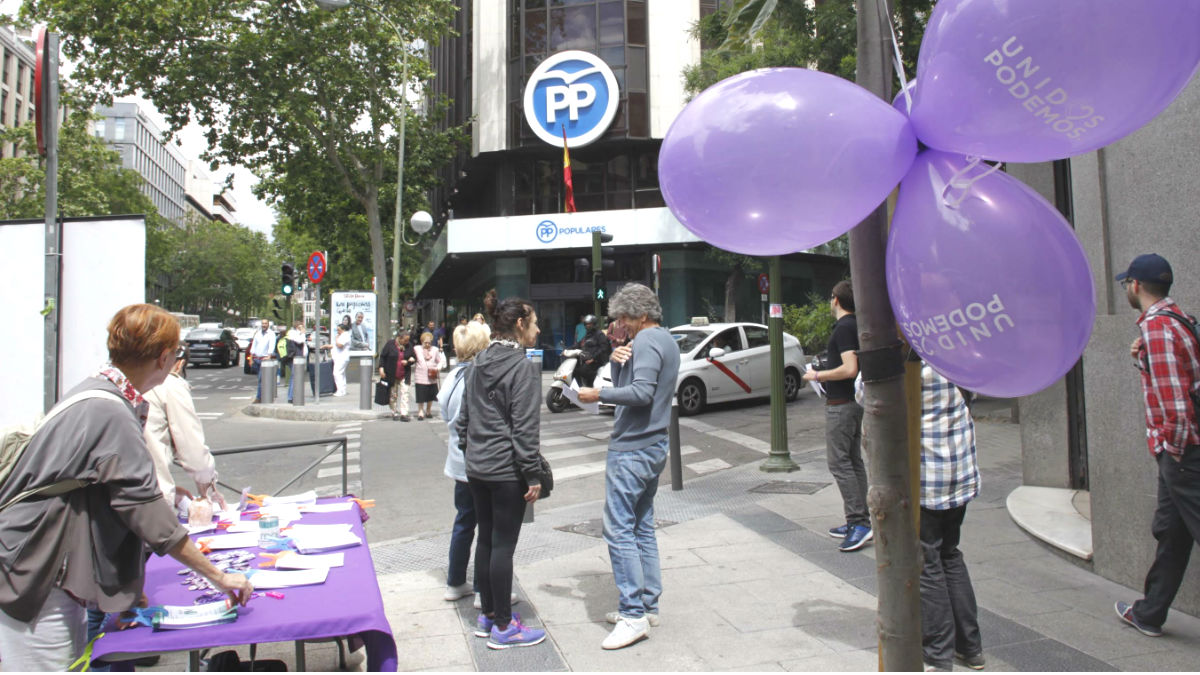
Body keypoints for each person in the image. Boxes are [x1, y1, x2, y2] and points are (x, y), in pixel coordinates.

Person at [0, 304, 253, 672]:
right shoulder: (110, 411)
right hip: (35, 571)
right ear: (164, 357)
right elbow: (144, 510)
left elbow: (109, 500)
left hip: (36, 562)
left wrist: (127, 592)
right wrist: (218, 576)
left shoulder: (98, 390)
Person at [578, 283, 681, 650]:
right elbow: (636, 388)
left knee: (619, 528)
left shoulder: (649, 342)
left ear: (641, 315)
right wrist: (618, 362)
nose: (619, 324)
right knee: (640, 526)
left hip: (634, 448)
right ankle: (647, 605)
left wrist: (597, 393)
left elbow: (640, 394)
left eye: (623, 317)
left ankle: (633, 613)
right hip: (651, 443)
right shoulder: (664, 340)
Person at [1113, 254, 1200, 638]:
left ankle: (1149, 612)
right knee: (1171, 530)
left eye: (1125, 284)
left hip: (1183, 451)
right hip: (1179, 451)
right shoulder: (1179, 319)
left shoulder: (1158, 329)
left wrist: (1175, 451)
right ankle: (1149, 613)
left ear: (1134, 286)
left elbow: (1177, 407)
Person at [455, 289, 547, 649]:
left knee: (487, 540)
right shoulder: (522, 368)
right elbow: (525, 428)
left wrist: (470, 453)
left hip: (477, 468)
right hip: (506, 470)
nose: (538, 330)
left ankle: (488, 615)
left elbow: (464, 419)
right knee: (503, 547)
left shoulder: (477, 362)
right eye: (535, 323)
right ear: (521, 324)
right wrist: (532, 473)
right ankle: (505, 627)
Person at [915, 359, 984, 672]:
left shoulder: (913, 361)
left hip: (929, 478)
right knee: (949, 553)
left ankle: (937, 654)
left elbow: (865, 391)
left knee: (927, 562)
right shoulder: (957, 354)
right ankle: (970, 647)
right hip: (960, 472)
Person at [803, 280, 870, 552]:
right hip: (853, 402)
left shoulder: (844, 327)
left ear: (836, 300)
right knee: (853, 461)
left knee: (839, 463)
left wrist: (817, 375)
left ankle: (859, 523)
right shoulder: (856, 325)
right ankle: (860, 518)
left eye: (831, 298)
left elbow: (849, 368)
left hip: (841, 403)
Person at [438, 322, 491, 602]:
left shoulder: (453, 376)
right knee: (488, 527)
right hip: (480, 461)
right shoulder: (478, 375)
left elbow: (445, 413)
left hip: (458, 463)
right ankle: (485, 590)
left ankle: (455, 580)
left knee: (464, 522)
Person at [143, 345, 227, 513]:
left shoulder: (122, 381)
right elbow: (191, 447)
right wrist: (208, 488)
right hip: (150, 498)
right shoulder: (169, 384)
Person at [378, 332, 416, 421]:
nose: (407, 342)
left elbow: (414, 357)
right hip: (392, 374)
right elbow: (383, 356)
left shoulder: (409, 346)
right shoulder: (390, 344)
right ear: (399, 338)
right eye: (405, 340)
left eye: (408, 340)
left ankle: (404, 413)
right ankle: (394, 412)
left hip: (404, 374)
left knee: (405, 393)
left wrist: (409, 362)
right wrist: (381, 368)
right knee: (393, 394)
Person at [414, 332, 446, 420]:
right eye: (425, 343)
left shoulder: (435, 350)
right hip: (420, 376)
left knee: (430, 395)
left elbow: (440, 361)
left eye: (429, 342)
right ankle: (420, 412)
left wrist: (438, 368)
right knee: (420, 395)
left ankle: (428, 411)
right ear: (421, 342)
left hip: (431, 376)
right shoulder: (417, 349)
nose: (427, 344)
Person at [577, 314, 613, 387]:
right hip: (589, 360)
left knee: (582, 371)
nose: (588, 326)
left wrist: (593, 358)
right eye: (586, 324)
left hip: (598, 361)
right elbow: (579, 344)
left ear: (594, 324)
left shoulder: (599, 334)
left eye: (590, 324)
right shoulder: (588, 335)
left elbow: (604, 348)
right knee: (577, 369)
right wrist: (567, 349)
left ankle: (590, 387)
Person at [285, 320, 316, 403]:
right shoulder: (292, 332)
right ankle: (291, 396)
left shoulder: (297, 333)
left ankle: (294, 395)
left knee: (297, 377)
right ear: (297, 326)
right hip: (295, 358)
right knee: (294, 376)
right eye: (301, 326)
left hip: (300, 358)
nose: (303, 328)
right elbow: (299, 341)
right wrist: (302, 333)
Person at [249, 318, 276, 403]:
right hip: (256, 359)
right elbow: (254, 345)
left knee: (261, 379)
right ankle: (264, 394)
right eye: (263, 323)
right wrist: (251, 357)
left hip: (264, 360)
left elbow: (272, 345)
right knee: (260, 379)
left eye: (265, 323)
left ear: (268, 325)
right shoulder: (258, 333)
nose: (264, 325)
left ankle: (258, 397)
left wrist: (269, 355)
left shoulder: (271, 334)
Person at [322, 323, 352, 396]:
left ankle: (340, 390)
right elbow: (334, 345)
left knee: (337, 373)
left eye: (339, 330)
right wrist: (326, 346)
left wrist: (336, 338)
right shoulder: (341, 336)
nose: (338, 331)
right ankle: (343, 389)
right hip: (339, 357)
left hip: (342, 357)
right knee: (341, 373)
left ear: (343, 330)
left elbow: (340, 345)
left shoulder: (345, 335)